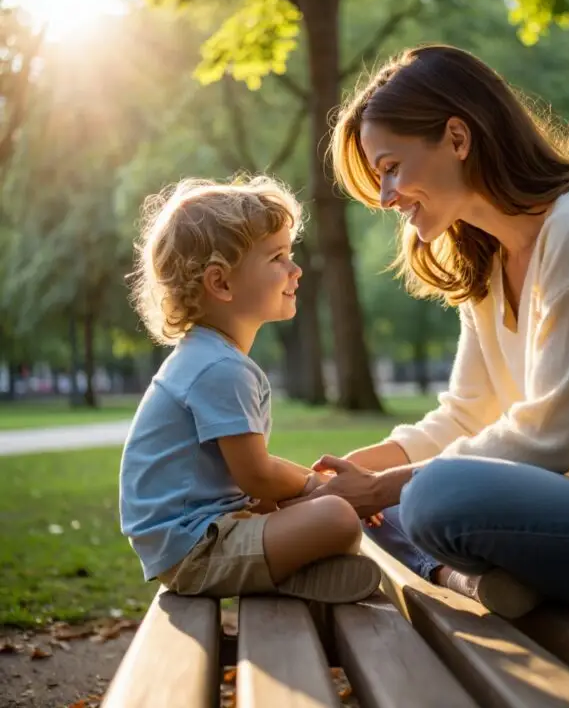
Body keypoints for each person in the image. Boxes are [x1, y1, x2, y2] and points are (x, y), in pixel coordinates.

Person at [287, 45, 569, 620]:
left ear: (457, 137)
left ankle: (458, 569)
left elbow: (549, 438)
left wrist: (382, 488)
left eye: (391, 167)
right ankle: (471, 580)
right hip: (565, 512)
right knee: (371, 506)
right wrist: (344, 477)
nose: (386, 196)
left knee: (427, 497)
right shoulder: (490, 262)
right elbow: (465, 417)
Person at [119, 176, 380, 602]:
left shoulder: (209, 357)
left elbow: (253, 484)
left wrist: (303, 492)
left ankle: (290, 575)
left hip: (197, 535)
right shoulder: (218, 367)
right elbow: (257, 475)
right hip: (193, 547)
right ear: (221, 283)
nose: (295, 270)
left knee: (319, 511)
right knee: (337, 516)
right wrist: (315, 485)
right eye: (277, 257)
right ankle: (289, 574)